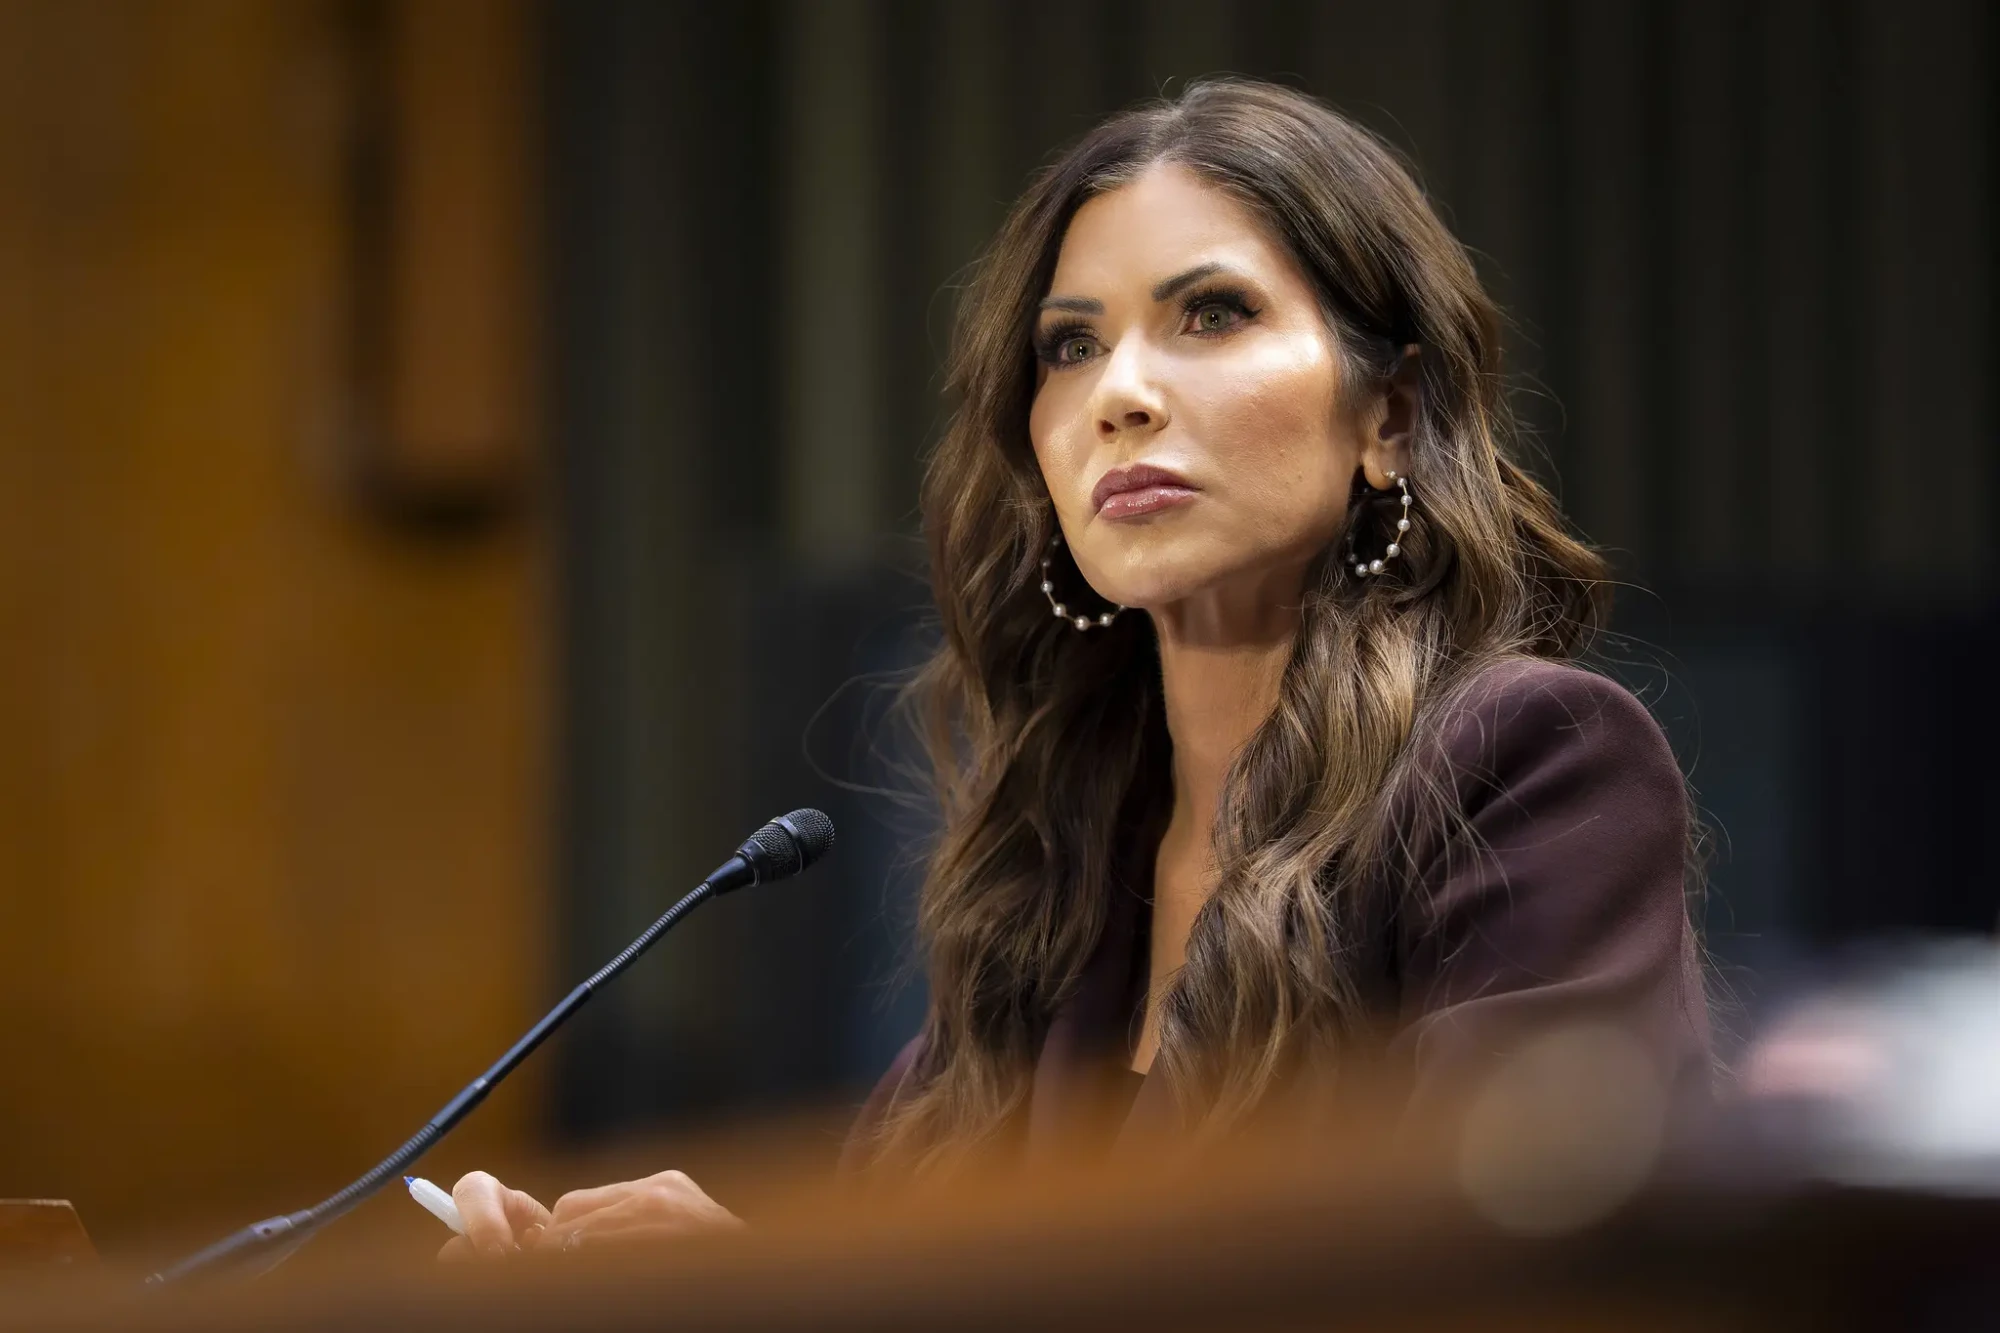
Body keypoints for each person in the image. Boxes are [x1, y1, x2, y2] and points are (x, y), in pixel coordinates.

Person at [442, 77, 1712, 1259]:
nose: (1120, 394)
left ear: (1391, 416)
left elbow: (1506, 1281)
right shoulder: (1057, 858)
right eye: (1068, 346)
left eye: (1210, 315)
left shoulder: (1529, 765)